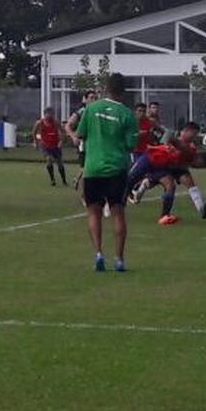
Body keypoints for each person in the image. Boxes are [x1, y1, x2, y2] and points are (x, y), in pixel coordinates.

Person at [77, 74, 137, 272]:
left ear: (105, 88)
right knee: (117, 211)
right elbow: (131, 145)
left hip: (92, 168)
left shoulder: (91, 108)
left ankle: (98, 253)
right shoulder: (127, 114)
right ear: (124, 91)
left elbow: (80, 135)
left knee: (94, 211)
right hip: (116, 169)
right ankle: (119, 259)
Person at [136, 123, 206, 226]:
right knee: (163, 184)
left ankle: (201, 208)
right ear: (186, 131)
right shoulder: (171, 135)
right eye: (194, 134)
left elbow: (188, 158)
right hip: (162, 166)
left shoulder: (190, 146)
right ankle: (144, 187)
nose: (195, 137)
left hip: (178, 168)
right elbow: (160, 145)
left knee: (189, 182)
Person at [33, 107, 66, 186]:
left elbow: (63, 132)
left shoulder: (56, 122)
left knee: (60, 163)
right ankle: (52, 180)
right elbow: (34, 132)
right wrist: (35, 142)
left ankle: (64, 180)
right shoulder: (39, 123)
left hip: (55, 145)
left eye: (51, 114)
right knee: (49, 159)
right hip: (45, 145)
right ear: (45, 114)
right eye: (48, 114)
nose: (50, 116)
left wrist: (61, 141)